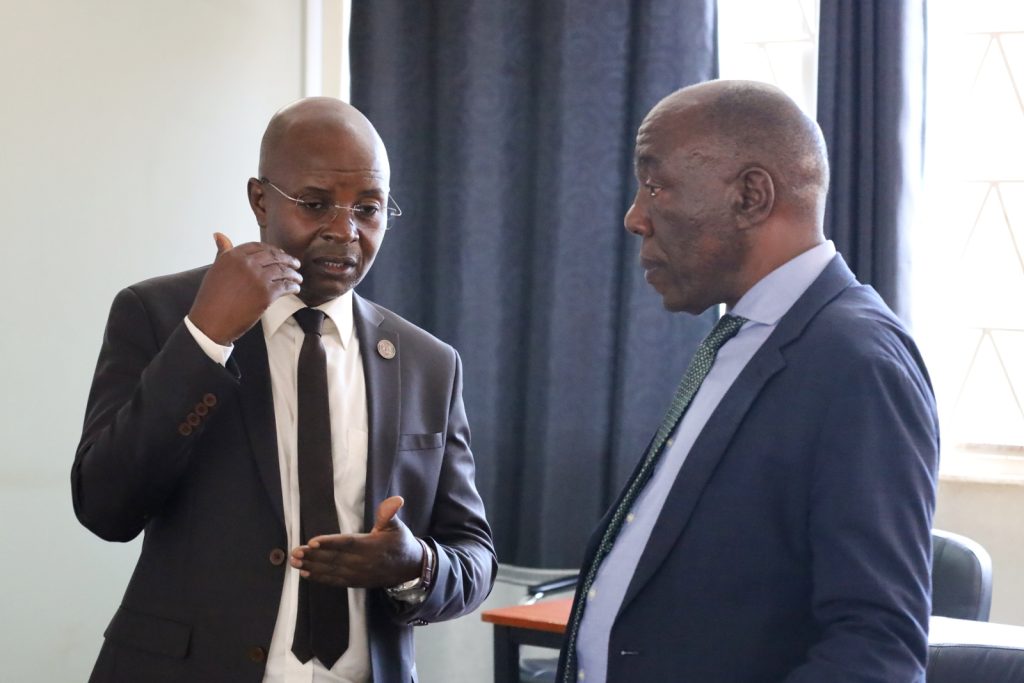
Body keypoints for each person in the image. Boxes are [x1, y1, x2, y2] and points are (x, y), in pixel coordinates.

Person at [72, 97, 496, 682]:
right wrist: (206, 338)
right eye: (316, 204)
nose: (345, 232)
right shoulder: (160, 314)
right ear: (259, 199)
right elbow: (104, 507)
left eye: (368, 209)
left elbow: (473, 555)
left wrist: (413, 565)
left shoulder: (428, 363)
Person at [556, 80, 939, 682]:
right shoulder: (744, 335)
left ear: (751, 195)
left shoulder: (858, 361)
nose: (635, 217)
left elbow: (876, 648)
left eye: (655, 185)